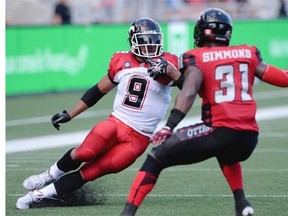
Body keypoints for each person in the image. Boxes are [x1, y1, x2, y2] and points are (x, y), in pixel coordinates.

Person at [120, 8, 288, 216]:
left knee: (156, 157)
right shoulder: (248, 53)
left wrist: (169, 126)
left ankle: (126, 213)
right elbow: (283, 78)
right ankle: (242, 203)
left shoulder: (196, 57)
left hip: (219, 131)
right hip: (250, 137)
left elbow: (188, 92)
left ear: (201, 31)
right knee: (226, 152)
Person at [16, 17, 185, 210]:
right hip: (117, 123)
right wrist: (70, 114)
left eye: (153, 40)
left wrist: (173, 73)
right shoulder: (122, 61)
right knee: (84, 152)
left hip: (139, 138)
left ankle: (39, 195)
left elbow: (189, 87)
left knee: (92, 171)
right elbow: (97, 91)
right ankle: (48, 175)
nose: (150, 45)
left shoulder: (169, 62)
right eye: (144, 40)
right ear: (133, 41)